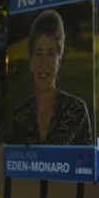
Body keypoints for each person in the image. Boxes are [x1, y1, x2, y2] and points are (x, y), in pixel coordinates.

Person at [10, 9, 93, 145]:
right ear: (30, 60)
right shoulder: (19, 115)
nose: (44, 64)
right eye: (39, 53)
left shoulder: (77, 111)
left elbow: (86, 161)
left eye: (51, 54)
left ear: (59, 61)